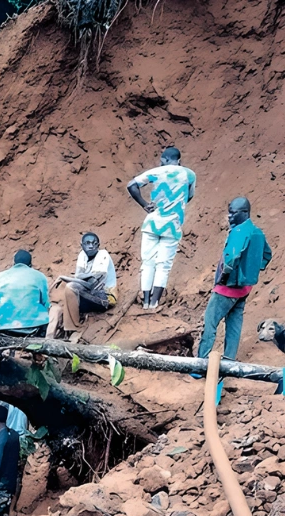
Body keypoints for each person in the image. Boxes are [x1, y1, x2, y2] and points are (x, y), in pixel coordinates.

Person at [193, 198, 271, 402]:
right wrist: (252, 271)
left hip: (227, 289)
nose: (229, 216)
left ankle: (199, 366)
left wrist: (226, 277)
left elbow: (231, 258)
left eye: (233, 212)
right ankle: (229, 364)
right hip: (245, 289)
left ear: (244, 212)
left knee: (210, 325)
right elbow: (267, 255)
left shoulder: (239, 232)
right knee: (234, 326)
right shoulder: (257, 232)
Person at [126, 146, 196, 309]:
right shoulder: (189, 174)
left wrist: (144, 205)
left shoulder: (156, 172)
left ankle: (144, 301)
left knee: (148, 262)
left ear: (165, 159)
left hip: (152, 223)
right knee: (164, 265)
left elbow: (131, 185)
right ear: (178, 160)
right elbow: (190, 195)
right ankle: (154, 302)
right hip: (173, 226)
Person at [47, 233, 117, 339]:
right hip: (91, 294)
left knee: (71, 287)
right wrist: (74, 278)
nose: (91, 246)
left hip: (105, 297)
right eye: (87, 243)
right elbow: (80, 278)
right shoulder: (82, 256)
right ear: (82, 245)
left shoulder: (102, 255)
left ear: (98, 245)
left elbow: (90, 285)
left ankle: (76, 327)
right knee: (69, 290)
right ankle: (69, 329)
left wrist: (65, 278)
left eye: (94, 243)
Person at [0, 250, 50, 337]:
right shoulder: (39, 276)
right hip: (31, 327)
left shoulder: (0, 276)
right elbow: (46, 302)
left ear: (14, 262)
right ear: (30, 264)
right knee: (44, 316)